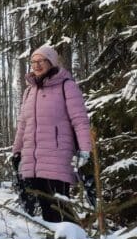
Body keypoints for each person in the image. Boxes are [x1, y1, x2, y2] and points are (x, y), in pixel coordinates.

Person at [11, 45, 91, 223]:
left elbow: (80, 120)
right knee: (46, 208)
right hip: (34, 158)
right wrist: (16, 151)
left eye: (41, 61)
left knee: (60, 207)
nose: (36, 65)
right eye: (33, 62)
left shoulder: (66, 86)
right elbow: (23, 125)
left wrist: (85, 150)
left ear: (51, 62)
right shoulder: (30, 91)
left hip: (58, 156)